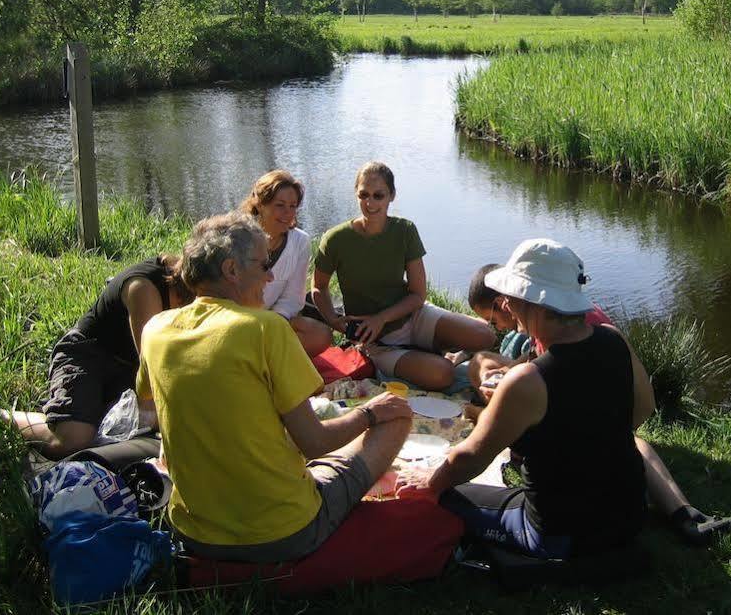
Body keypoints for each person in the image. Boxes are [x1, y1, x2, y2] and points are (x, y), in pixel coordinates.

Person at [400, 240, 731, 557]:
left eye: (514, 298)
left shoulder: (527, 381)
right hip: (629, 520)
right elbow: (644, 409)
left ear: (538, 304)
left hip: (559, 536)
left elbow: (470, 457)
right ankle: (675, 516)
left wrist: (428, 484)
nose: (508, 306)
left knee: (448, 499)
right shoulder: (615, 340)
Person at [137, 211, 412, 562]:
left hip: (194, 531)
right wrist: (370, 413)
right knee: (395, 417)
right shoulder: (265, 328)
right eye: (263, 264)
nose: (269, 276)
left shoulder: (155, 329)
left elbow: (155, 410)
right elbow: (315, 443)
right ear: (231, 270)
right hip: (281, 532)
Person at [312, 161, 495, 390]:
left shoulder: (405, 230)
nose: (370, 203)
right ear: (356, 194)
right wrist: (333, 320)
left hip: (414, 316)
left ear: (392, 196)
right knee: (443, 374)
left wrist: (382, 318)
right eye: (363, 195)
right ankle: (434, 354)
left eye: (379, 195)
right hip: (377, 342)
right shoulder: (336, 239)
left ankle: (437, 347)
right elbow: (318, 286)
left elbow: (418, 294)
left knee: (485, 335)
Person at [11, 255, 193, 459]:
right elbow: (153, 371)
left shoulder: (208, 299)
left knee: (128, 425)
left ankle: (82, 412)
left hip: (128, 371)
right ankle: (3, 418)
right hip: (88, 355)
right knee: (72, 440)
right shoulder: (145, 287)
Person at [240, 169, 333, 356]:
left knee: (321, 335)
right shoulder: (238, 238)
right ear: (260, 204)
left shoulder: (300, 242)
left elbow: (293, 298)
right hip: (236, 321)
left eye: (293, 206)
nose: (288, 213)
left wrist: (274, 323)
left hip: (273, 321)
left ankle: (265, 359)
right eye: (280, 205)